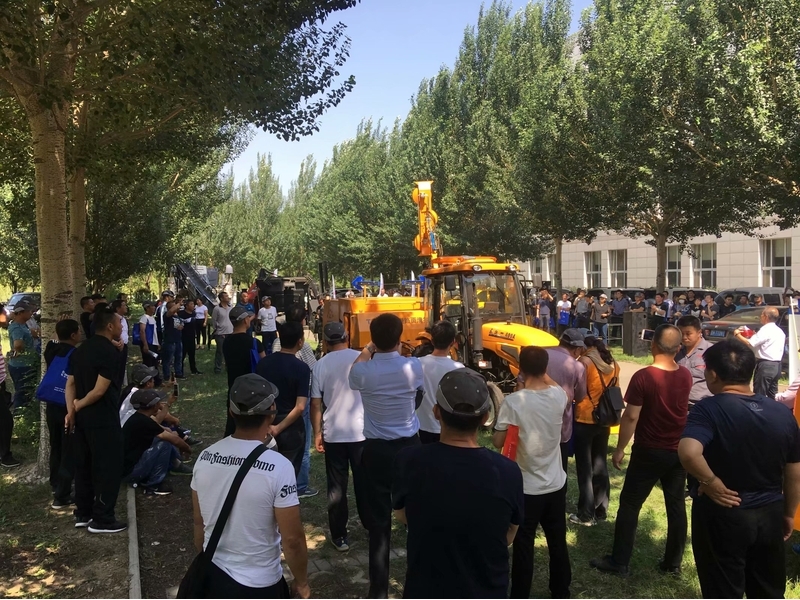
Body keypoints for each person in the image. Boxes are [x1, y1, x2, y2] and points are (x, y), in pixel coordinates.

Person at [679, 339, 800, 599]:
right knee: (768, 590)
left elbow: (688, 452)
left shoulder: (707, 409)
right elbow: (794, 472)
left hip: (723, 512)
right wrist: (789, 513)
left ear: (712, 374)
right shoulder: (782, 413)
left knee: (722, 589)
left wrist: (710, 481)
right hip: (770, 511)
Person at [395, 368, 523, 598]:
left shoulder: (409, 461)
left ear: (436, 412)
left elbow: (402, 515)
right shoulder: (508, 471)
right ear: (485, 417)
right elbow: (509, 535)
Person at [191, 373, 310, 599]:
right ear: (271, 412)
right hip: (260, 583)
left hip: (214, 575)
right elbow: (292, 540)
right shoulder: (279, 467)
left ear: (231, 412)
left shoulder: (205, 457)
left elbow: (199, 522)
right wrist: (302, 582)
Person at [590, 324, 691, 576]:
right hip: (677, 450)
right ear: (678, 348)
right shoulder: (685, 375)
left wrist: (620, 448)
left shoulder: (644, 376)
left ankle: (620, 561)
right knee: (676, 505)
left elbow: (631, 416)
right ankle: (673, 563)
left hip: (649, 449)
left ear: (652, 345)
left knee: (630, 504)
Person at [348, 313, 423, 599]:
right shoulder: (413, 366)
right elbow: (419, 394)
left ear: (373, 340)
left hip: (377, 450)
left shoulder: (363, 372)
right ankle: (416, 584)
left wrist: (368, 348)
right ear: (399, 337)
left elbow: (354, 371)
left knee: (379, 524)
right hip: (410, 448)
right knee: (416, 518)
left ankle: (378, 590)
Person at [493, 347, 571, 599]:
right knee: (557, 541)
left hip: (526, 487)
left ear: (520, 369)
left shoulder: (515, 402)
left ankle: (520, 594)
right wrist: (539, 372)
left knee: (523, 545)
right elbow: (553, 383)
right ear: (546, 368)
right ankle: (561, 591)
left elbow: (497, 441)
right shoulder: (559, 396)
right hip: (555, 483)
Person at [65, 305, 127, 533]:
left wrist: (71, 412)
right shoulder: (108, 352)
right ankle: (103, 518)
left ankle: (83, 512)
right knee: (107, 467)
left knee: (84, 465)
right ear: (109, 326)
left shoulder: (79, 350)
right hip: (102, 418)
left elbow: (70, 384)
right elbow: (100, 390)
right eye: (119, 323)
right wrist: (78, 405)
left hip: (81, 420)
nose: (121, 327)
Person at [310, 322, 366, 551]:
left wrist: (317, 432)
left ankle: (339, 535)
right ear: (347, 336)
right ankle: (372, 524)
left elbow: (315, 404)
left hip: (334, 433)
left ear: (325, 342)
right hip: (362, 432)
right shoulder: (362, 358)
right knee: (365, 482)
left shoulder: (320, 365)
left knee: (336, 486)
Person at [570, 336, 619, 526]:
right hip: (605, 419)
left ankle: (585, 514)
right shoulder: (613, 363)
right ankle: (601, 510)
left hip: (585, 418)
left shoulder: (584, 362)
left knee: (585, 469)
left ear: (586, 347)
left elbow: (578, 391)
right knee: (600, 465)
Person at [271, 304, 318, 499]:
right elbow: (313, 367)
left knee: (276, 446)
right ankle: (300, 486)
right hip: (299, 396)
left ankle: (276, 482)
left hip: (277, 399)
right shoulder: (302, 348)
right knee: (302, 446)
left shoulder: (276, 343)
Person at [255, 321, 307, 474]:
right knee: (288, 474)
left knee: (265, 471)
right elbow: (300, 406)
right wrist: (278, 428)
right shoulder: (301, 368)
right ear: (300, 341)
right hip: (290, 427)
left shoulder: (263, 363)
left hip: (264, 423)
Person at [40, 319, 81, 507]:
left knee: (55, 445)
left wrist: (59, 328)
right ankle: (62, 494)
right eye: (78, 331)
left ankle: (55, 482)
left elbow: (54, 338)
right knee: (68, 449)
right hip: (67, 406)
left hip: (52, 404)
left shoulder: (50, 350)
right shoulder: (77, 355)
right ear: (73, 335)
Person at [122, 388, 193, 495]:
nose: (160, 404)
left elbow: (164, 429)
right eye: (159, 402)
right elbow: (174, 440)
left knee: (162, 439)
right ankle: (153, 485)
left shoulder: (138, 417)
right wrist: (187, 449)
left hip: (126, 467)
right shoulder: (144, 422)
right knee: (164, 444)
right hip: (130, 472)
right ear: (154, 405)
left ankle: (176, 465)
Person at [545, 328, 588, 474]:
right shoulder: (577, 366)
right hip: (561, 426)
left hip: (535, 424)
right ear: (577, 350)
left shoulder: (540, 356)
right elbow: (580, 396)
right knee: (560, 471)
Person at [416, 321, 465, 444]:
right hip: (449, 428)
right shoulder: (459, 368)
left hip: (423, 426)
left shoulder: (417, 364)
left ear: (432, 341)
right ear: (452, 342)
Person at [222, 306, 265, 436]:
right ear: (246, 320)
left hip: (233, 387)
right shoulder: (254, 343)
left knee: (232, 425)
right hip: (252, 389)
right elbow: (264, 364)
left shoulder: (226, 342)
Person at [733, 306, 786, 399]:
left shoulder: (766, 330)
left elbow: (750, 343)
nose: (760, 316)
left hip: (766, 365)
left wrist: (737, 334)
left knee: (759, 393)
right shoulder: (780, 331)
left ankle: (759, 408)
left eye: (762, 314)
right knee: (772, 394)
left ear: (766, 316)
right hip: (777, 365)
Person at [675, 316, 713, 407]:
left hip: (702, 406)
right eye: (681, 334)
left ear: (699, 332)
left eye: (688, 334)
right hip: (679, 404)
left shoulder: (711, 351)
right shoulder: (676, 351)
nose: (684, 337)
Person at [7, 299, 37, 409]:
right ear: (20, 313)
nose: (31, 313)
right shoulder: (17, 327)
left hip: (25, 364)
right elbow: (18, 345)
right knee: (22, 393)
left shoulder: (23, 325)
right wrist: (26, 349)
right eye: (29, 311)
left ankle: (23, 411)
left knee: (26, 392)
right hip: (21, 366)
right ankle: (18, 413)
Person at [137, 301, 161, 385]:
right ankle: (148, 380)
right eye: (152, 306)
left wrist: (157, 343)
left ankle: (156, 380)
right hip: (148, 343)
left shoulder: (152, 318)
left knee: (154, 362)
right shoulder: (144, 318)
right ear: (147, 308)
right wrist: (145, 344)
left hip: (153, 343)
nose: (154, 308)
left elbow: (154, 332)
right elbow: (142, 331)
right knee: (148, 363)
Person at [212, 292, 234, 374]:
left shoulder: (230, 308)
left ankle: (229, 367)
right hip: (220, 334)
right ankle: (218, 368)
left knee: (230, 351)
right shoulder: (217, 309)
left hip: (230, 332)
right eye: (226, 296)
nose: (228, 297)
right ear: (221, 298)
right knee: (220, 351)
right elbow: (214, 321)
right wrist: (218, 330)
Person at [179, 299, 201, 375]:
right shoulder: (181, 314)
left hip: (192, 336)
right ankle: (180, 370)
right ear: (187, 306)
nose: (193, 306)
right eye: (191, 304)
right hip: (183, 337)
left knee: (192, 354)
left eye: (193, 304)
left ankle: (194, 370)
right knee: (182, 355)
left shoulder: (194, 313)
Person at [111, 299, 129, 387]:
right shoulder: (113, 319)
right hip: (117, 346)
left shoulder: (123, 318)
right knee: (117, 367)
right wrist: (116, 342)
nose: (126, 307)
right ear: (118, 308)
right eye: (124, 305)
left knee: (122, 366)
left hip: (123, 344)